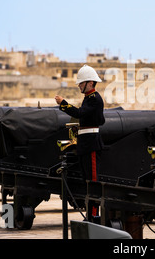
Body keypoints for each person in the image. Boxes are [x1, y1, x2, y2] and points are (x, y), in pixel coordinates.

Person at [55, 64, 105, 221]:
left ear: (90, 83)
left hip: (90, 143)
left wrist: (63, 103)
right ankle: (90, 214)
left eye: (81, 83)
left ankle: (93, 215)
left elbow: (78, 113)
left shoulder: (95, 99)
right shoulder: (88, 99)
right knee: (86, 181)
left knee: (92, 181)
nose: (79, 86)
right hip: (84, 144)